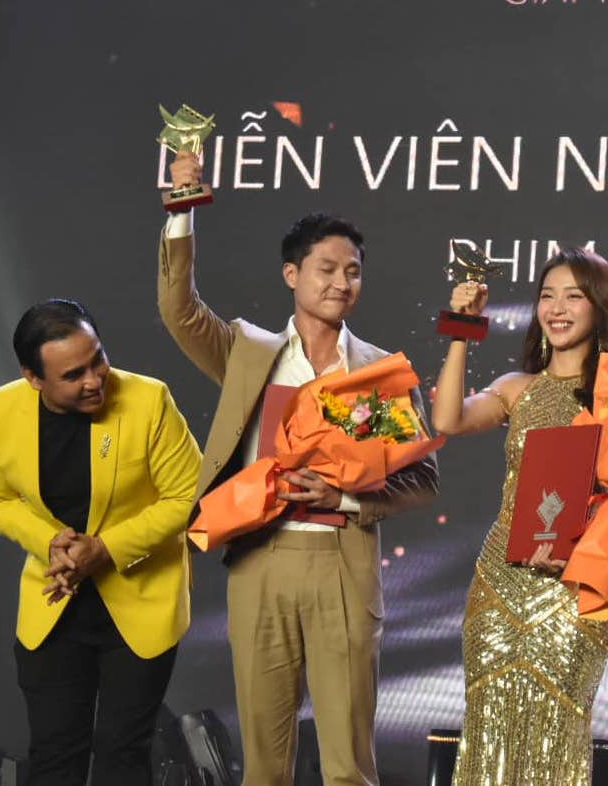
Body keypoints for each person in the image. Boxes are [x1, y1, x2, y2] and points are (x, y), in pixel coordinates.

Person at [156, 149, 439, 786]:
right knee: (264, 762)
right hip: (261, 558)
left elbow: (423, 478)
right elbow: (180, 310)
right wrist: (182, 207)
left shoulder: (379, 369)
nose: (342, 283)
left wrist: (346, 498)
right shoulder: (250, 351)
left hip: (343, 560)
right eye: (327, 269)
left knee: (348, 764)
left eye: (354, 272)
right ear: (292, 274)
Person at [0, 298, 203, 786]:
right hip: (54, 605)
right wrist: (49, 542)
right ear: (34, 378)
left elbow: (188, 495)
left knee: (122, 757)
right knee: (54, 757)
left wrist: (105, 549)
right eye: (73, 375)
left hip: (140, 604)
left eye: (98, 359)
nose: (95, 380)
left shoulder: (149, 400)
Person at [431, 247, 608, 786]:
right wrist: (462, 329)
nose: (557, 308)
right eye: (547, 296)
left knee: (556, 733)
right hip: (500, 584)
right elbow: (447, 419)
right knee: (489, 725)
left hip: (572, 592)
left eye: (574, 296)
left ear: (600, 306)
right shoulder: (516, 388)